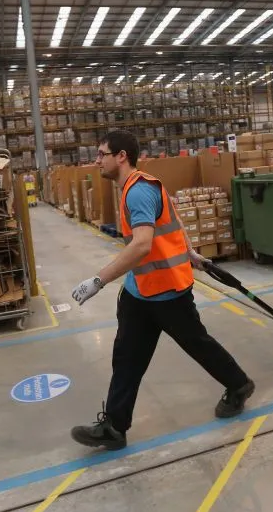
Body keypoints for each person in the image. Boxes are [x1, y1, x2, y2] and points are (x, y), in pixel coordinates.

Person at [70, 130, 255, 451]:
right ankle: (114, 426)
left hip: (167, 292)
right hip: (139, 292)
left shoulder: (137, 192)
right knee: (127, 357)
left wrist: (98, 280)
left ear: (121, 157)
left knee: (198, 344)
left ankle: (239, 385)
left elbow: (142, 245)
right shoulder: (138, 185)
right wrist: (191, 250)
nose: (97, 160)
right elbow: (174, 218)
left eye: (102, 154)